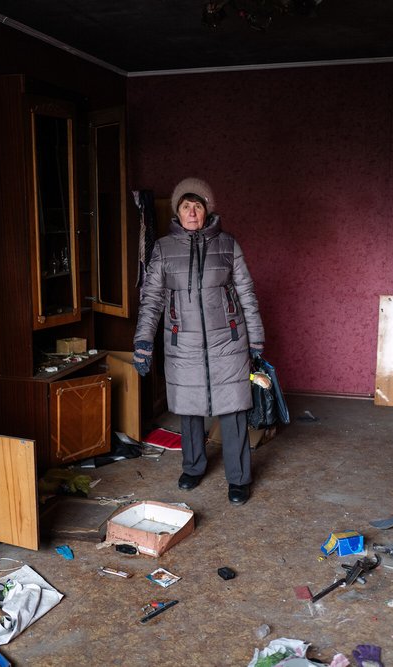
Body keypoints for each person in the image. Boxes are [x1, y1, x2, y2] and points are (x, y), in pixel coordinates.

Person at [133, 177, 265, 505]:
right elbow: (151, 299)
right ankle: (193, 467)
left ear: (207, 210)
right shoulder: (163, 248)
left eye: (198, 206)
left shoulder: (228, 245)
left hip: (228, 341)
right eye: (186, 206)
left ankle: (238, 478)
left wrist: (256, 341)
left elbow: (247, 292)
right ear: (177, 212)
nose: (192, 213)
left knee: (234, 408)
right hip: (183, 342)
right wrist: (143, 342)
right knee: (189, 409)